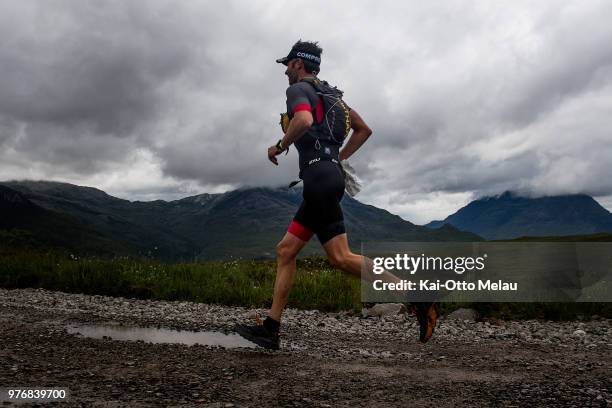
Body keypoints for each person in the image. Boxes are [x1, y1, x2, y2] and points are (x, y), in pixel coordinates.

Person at [235, 40, 437, 350]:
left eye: (287, 65)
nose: (285, 71)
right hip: (328, 178)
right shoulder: (334, 98)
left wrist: (279, 145)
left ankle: (415, 295)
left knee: (339, 257)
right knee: (290, 251)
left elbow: (303, 120)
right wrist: (338, 160)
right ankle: (271, 327)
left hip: (319, 180)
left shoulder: (297, 91)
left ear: (298, 64)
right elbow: (363, 129)